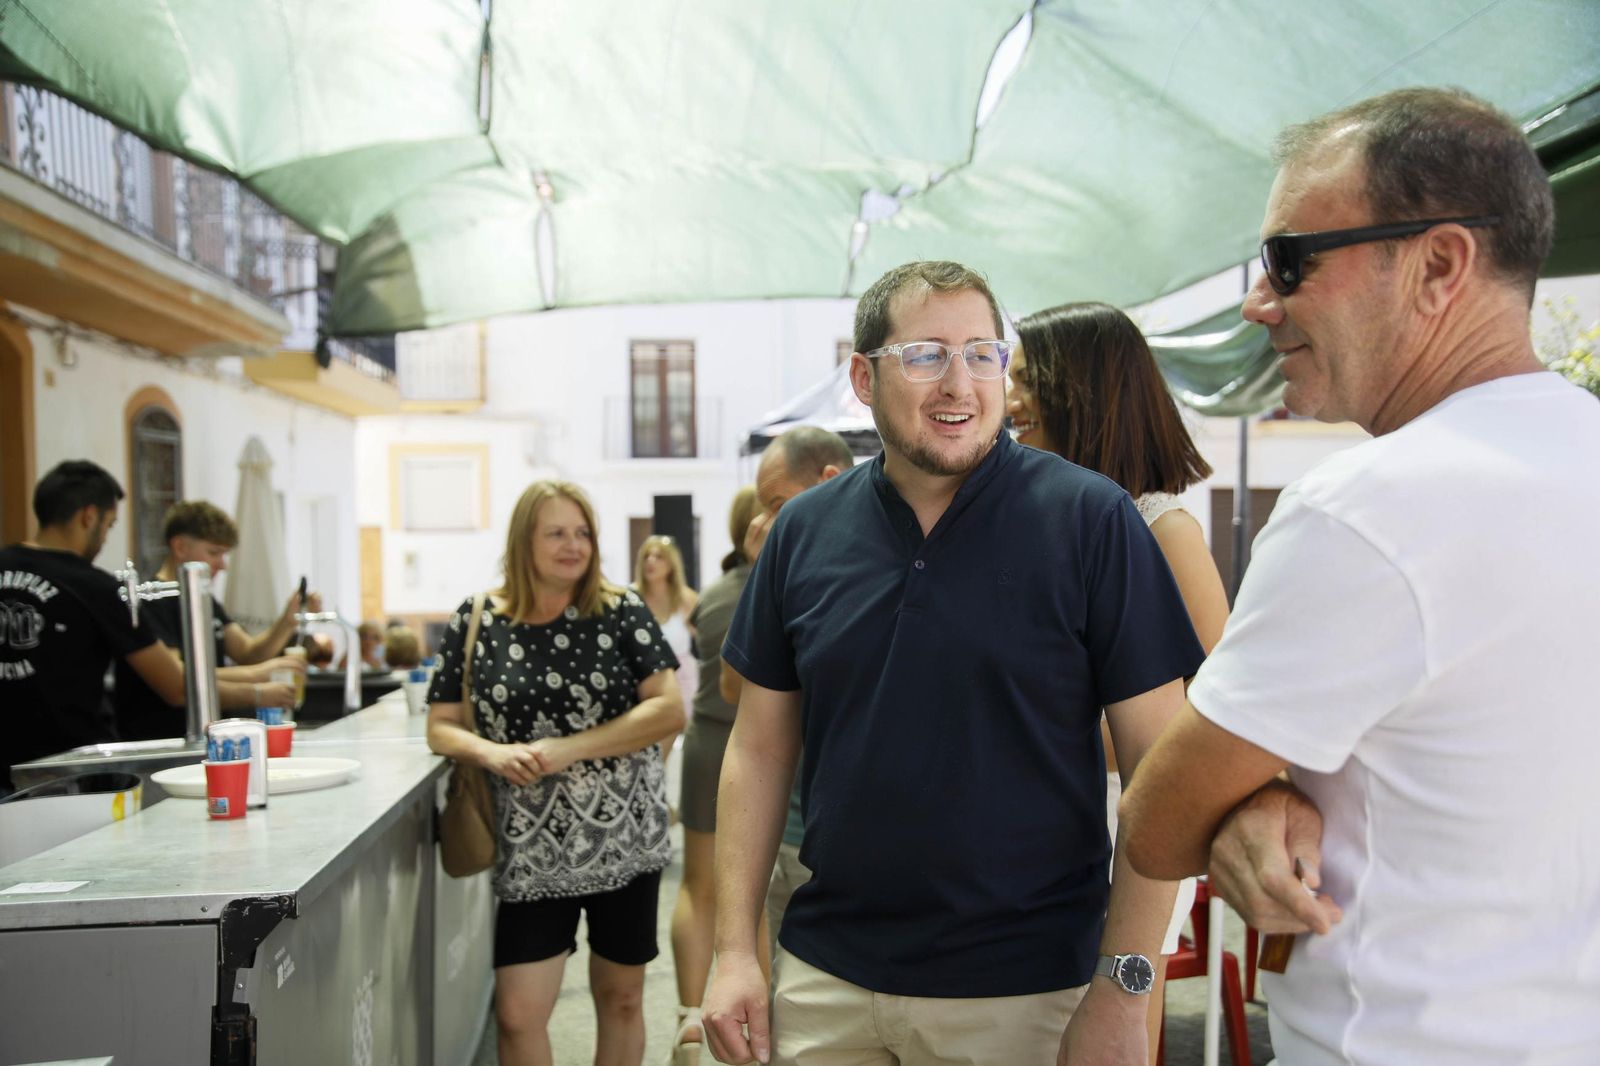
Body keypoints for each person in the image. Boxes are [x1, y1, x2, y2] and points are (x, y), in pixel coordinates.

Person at [1121, 87, 1600, 1065]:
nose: (1259, 302)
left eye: (1289, 260)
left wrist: (1249, 793)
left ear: (1439, 264)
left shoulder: (1373, 509)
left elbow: (1157, 824)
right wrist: (1264, 784)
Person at [703, 261, 1205, 1066]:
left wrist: (1124, 985)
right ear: (863, 378)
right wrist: (734, 951)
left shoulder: (1091, 520)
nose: (960, 384)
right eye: (926, 355)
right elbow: (759, 748)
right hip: (825, 978)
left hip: (1026, 992)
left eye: (982, 354)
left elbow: (1162, 765)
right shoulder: (803, 532)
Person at [1011, 300, 1230, 1060]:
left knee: (1114, 1033)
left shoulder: (1163, 528)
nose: (1007, 398)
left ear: (1081, 389)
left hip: (1123, 829)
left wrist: (1039, 737)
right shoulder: (1044, 519)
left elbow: (1210, 708)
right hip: (1031, 827)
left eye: (1024, 378)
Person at [425, 479, 685, 1066]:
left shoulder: (621, 610)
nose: (574, 546)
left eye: (583, 532)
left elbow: (669, 709)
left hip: (625, 837)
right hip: (530, 849)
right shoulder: (478, 617)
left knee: (621, 998)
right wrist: (489, 753)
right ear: (524, 540)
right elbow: (440, 726)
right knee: (518, 1015)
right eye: (557, 533)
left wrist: (571, 749)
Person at [0, 461, 185, 792]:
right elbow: (176, 687)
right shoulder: (95, 587)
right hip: (72, 777)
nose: (104, 538)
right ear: (89, 516)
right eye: (109, 525)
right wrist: (257, 689)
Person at [113, 500, 309, 740]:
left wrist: (287, 621)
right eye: (214, 553)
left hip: (209, 735)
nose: (222, 565)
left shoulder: (205, 601)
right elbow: (180, 682)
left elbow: (248, 652)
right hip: (163, 738)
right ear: (180, 546)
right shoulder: (153, 603)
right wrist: (257, 683)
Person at [633, 534, 699, 720]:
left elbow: (708, 640)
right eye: (646, 556)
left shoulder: (687, 599)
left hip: (685, 682)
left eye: (658, 556)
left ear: (671, 564)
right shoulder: (631, 599)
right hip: (643, 681)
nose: (650, 561)